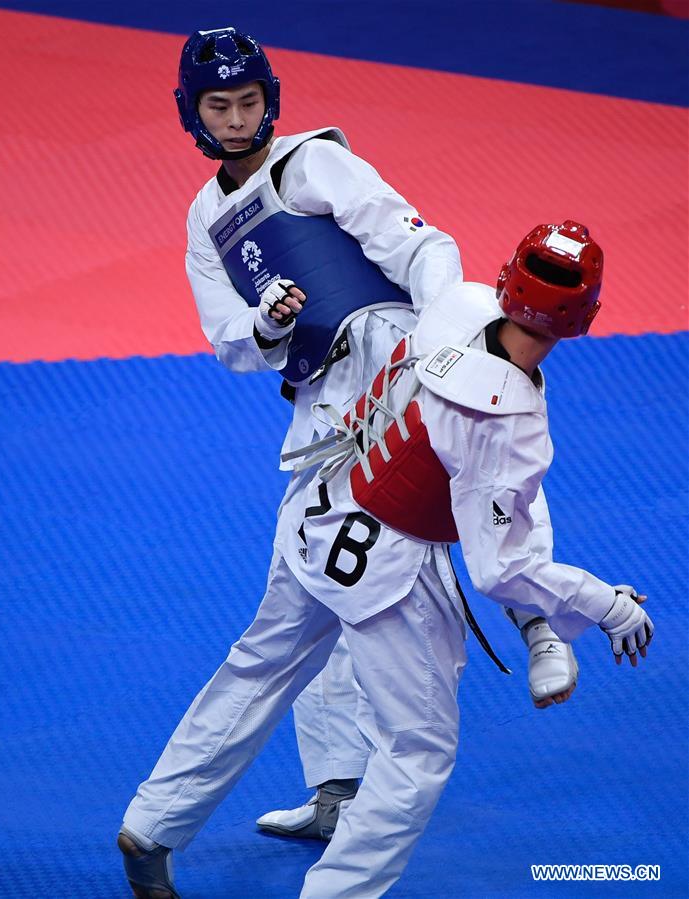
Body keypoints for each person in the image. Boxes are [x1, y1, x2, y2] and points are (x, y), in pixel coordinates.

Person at [127, 25, 577, 848]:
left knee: (481, 463)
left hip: (393, 349)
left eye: (249, 101)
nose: (236, 118)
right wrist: (263, 321)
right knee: (312, 586)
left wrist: (435, 338)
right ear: (191, 113)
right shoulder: (204, 217)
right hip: (319, 408)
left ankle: (539, 623)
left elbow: (422, 243)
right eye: (218, 105)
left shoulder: (312, 162)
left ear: (271, 99)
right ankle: (336, 787)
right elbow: (226, 337)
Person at [117, 220, 653, 898]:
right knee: (417, 751)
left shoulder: (455, 303)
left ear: (503, 279)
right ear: (584, 318)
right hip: (388, 573)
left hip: (319, 508)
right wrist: (602, 604)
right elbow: (497, 569)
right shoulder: (510, 423)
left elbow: (424, 259)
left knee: (257, 665)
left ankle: (152, 821)